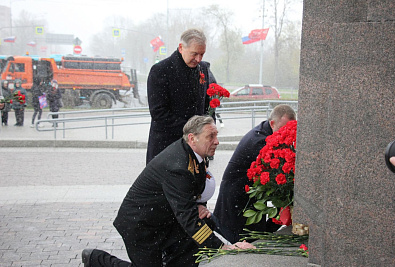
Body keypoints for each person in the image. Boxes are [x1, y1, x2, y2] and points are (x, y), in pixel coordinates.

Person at [81, 115, 255, 267]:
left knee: (197, 232)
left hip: (162, 220)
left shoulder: (193, 154)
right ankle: (96, 259)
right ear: (192, 138)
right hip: (140, 226)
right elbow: (187, 218)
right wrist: (223, 247)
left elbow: (192, 193)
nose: (216, 141)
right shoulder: (178, 167)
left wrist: (199, 206)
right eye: (211, 136)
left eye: (216, 135)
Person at [213, 104, 297, 243]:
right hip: (238, 199)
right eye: (284, 129)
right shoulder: (259, 141)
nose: (286, 134)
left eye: (290, 129)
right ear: (272, 123)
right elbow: (276, 173)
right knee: (242, 241)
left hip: (248, 197)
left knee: (253, 237)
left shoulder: (265, 131)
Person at [146, 28, 214, 164]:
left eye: (202, 54)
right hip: (167, 146)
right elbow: (159, 113)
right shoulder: (161, 71)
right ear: (181, 47)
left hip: (196, 148)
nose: (198, 59)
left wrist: (209, 128)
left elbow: (207, 104)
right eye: (194, 54)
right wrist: (193, 131)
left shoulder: (203, 69)